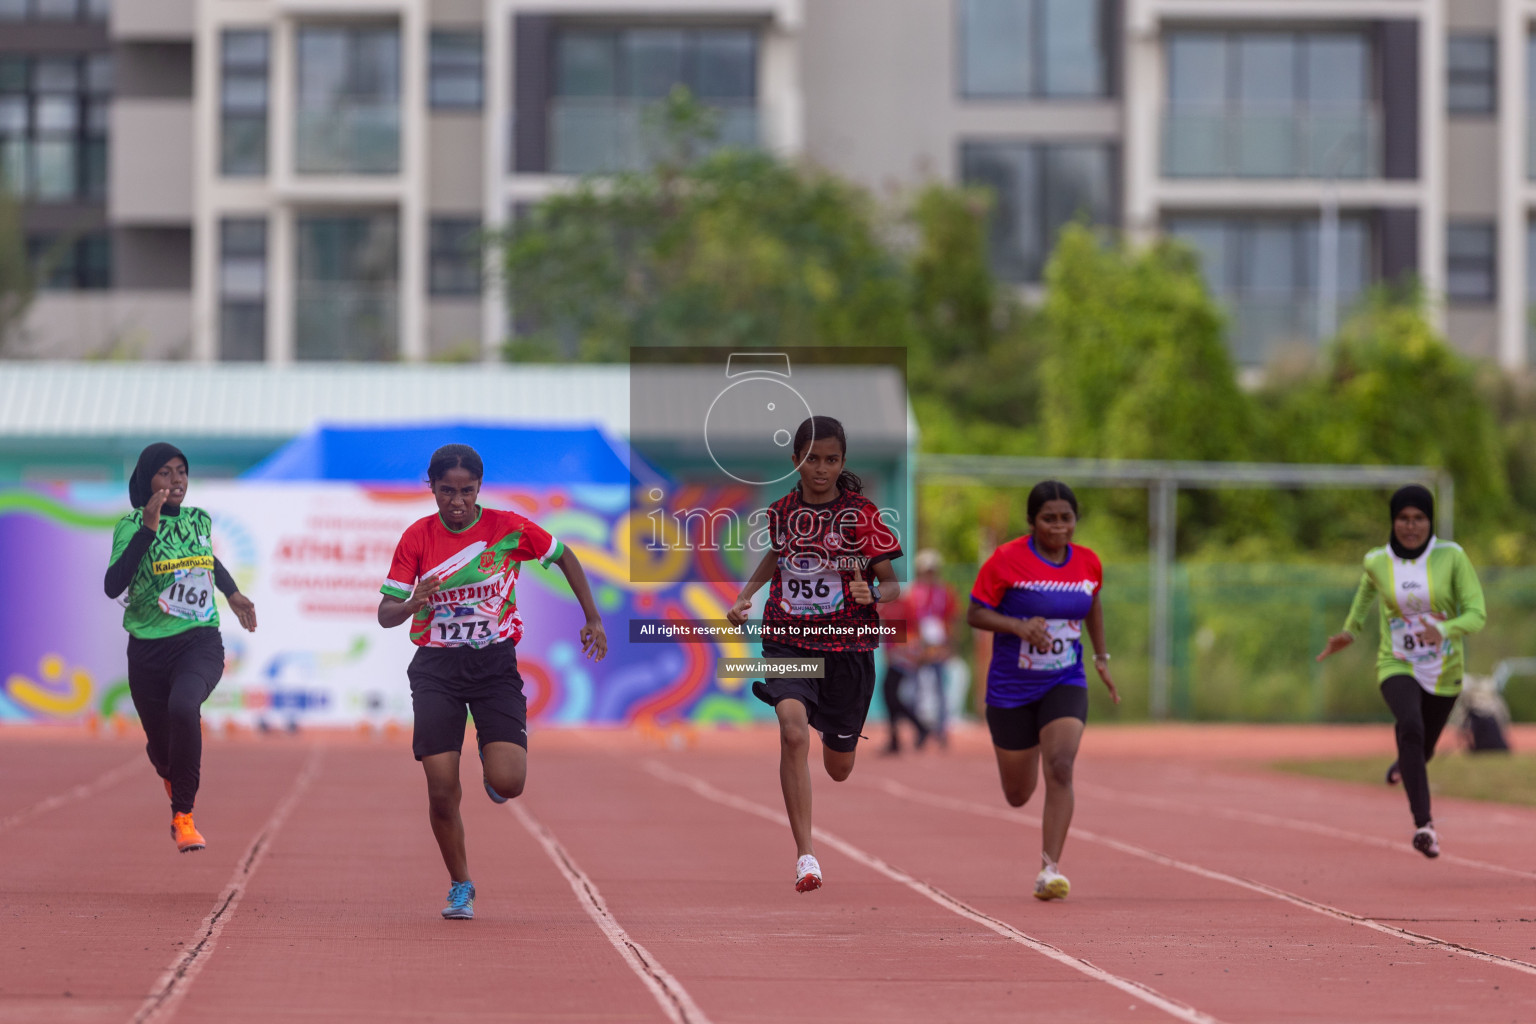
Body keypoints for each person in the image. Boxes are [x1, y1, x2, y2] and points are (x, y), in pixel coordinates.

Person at [378, 444, 607, 920]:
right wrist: (414, 601)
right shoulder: (416, 538)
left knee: (510, 782)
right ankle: (461, 884)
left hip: (494, 667)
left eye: (466, 491)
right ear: (432, 488)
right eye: (446, 492)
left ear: (479, 487)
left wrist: (593, 617)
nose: (456, 502)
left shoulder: (508, 528)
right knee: (441, 788)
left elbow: (565, 556)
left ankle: (491, 756)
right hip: (437, 669)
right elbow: (385, 616)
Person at [728, 416, 902, 893]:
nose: (821, 469)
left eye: (831, 460)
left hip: (847, 647)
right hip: (788, 638)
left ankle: (839, 733)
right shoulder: (782, 511)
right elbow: (776, 555)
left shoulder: (862, 515)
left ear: (842, 462)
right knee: (791, 733)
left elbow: (890, 584)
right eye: (811, 459)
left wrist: (876, 597)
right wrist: (746, 596)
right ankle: (806, 855)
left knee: (838, 768)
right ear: (795, 461)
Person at [1316, 484, 1486, 858]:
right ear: (1393, 522)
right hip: (1397, 661)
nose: (1411, 526)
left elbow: (1477, 614)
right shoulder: (1377, 560)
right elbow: (1366, 590)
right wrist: (1350, 630)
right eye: (1403, 519)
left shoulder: (1452, 557)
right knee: (1410, 726)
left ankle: (1402, 764)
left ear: (1430, 521)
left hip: (1444, 670)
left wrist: (1442, 629)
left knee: (1421, 749)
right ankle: (1424, 825)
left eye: (1419, 518)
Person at [104, 443, 258, 853]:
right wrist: (148, 530)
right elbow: (112, 586)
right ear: (146, 481)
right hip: (147, 650)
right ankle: (173, 774)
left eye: (182, 472)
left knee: (183, 706)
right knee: (161, 750)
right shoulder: (130, 524)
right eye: (165, 473)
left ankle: (183, 816)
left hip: (199, 641)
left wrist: (233, 593)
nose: (176, 481)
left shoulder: (198, 519)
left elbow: (207, 560)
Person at [967, 481, 1117, 901]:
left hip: (1064, 680)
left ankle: (1049, 869)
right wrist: (1017, 626)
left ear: (1075, 520)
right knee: (1018, 795)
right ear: (1032, 521)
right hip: (1011, 689)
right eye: (1048, 518)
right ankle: (1027, 745)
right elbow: (975, 613)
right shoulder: (1006, 561)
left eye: (1066, 518)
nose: (1058, 526)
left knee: (1062, 766)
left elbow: (1094, 603)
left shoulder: (1087, 563)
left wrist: (1101, 658)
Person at [880, 549, 957, 753]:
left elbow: (948, 621)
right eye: (926, 571)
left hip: (927, 650)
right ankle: (917, 731)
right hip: (910, 652)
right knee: (909, 692)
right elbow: (900, 627)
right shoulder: (911, 595)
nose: (929, 574)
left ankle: (937, 732)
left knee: (937, 691)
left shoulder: (941, 593)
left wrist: (944, 647)